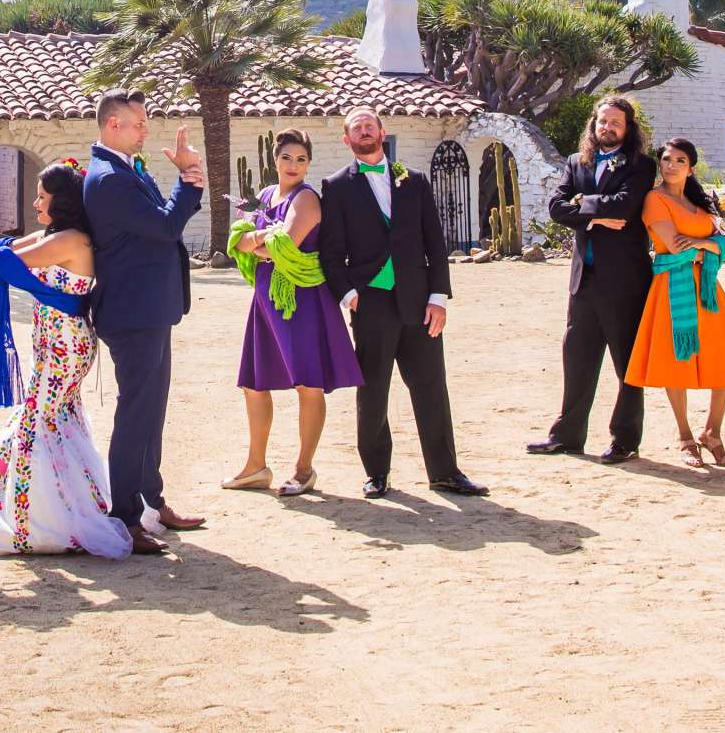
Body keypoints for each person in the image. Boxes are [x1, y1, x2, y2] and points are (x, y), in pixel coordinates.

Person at [0, 160, 130, 558]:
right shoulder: (58, 235)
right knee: (54, 419)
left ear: (60, 202)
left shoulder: (71, 240)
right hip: (53, 341)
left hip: (65, 345)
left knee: (38, 420)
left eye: (42, 197)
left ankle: (40, 517)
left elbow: (11, 262)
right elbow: (6, 249)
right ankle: (58, 506)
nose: (35, 202)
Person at [317, 108, 484, 499]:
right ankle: (377, 472)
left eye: (369, 125)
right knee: (373, 389)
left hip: (419, 301)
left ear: (381, 131)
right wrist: (348, 294)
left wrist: (438, 297)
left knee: (430, 387)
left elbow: (435, 242)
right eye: (356, 128)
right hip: (371, 302)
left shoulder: (415, 181)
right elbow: (331, 250)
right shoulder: (336, 186)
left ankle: (445, 472)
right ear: (347, 140)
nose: (364, 131)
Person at [82, 89, 207, 555]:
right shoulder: (108, 178)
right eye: (138, 124)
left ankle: (153, 503)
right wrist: (190, 178)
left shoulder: (125, 170)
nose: (145, 131)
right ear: (113, 124)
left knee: (151, 412)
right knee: (135, 415)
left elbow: (164, 221)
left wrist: (186, 182)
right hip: (132, 311)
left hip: (151, 307)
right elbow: (166, 226)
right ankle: (126, 518)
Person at [221, 127, 361, 498]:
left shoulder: (307, 199)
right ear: (274, 159)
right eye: (286, 157)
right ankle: (256, 466)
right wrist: (257, 239)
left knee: (307, 383)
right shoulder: (267, 195)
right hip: (266, 299)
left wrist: (253, 239)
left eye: (301, 159)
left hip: (301, 300)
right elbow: (243, 238)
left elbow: (279, 247)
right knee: (253, 382)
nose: (293, 165)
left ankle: (304, 469)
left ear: (308, 164)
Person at [527, 94, 657, 463]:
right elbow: (555, 207)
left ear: (627, 127)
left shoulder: (641, 165)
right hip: (584, 278)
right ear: (594, 124)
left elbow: (626, 205)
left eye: (615, 122)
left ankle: (625, 440)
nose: (608, 127)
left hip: (625, 281)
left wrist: (583, 204)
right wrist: (596, 214)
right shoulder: (575, 162)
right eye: (602, 121)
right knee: (577, 357)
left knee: (626, 363)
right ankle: (567, 435)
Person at [624, 137, 725, 468]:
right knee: (676, 361)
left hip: (707, 286)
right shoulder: (655, 200)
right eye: (667, 159)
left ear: (692, 167)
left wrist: (707, 245)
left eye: (679, 160)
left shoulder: (701, 202)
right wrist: (709, 247)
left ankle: (712, 433)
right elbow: (674, 247)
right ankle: (685, 436)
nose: (671, 165)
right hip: (673, 285)